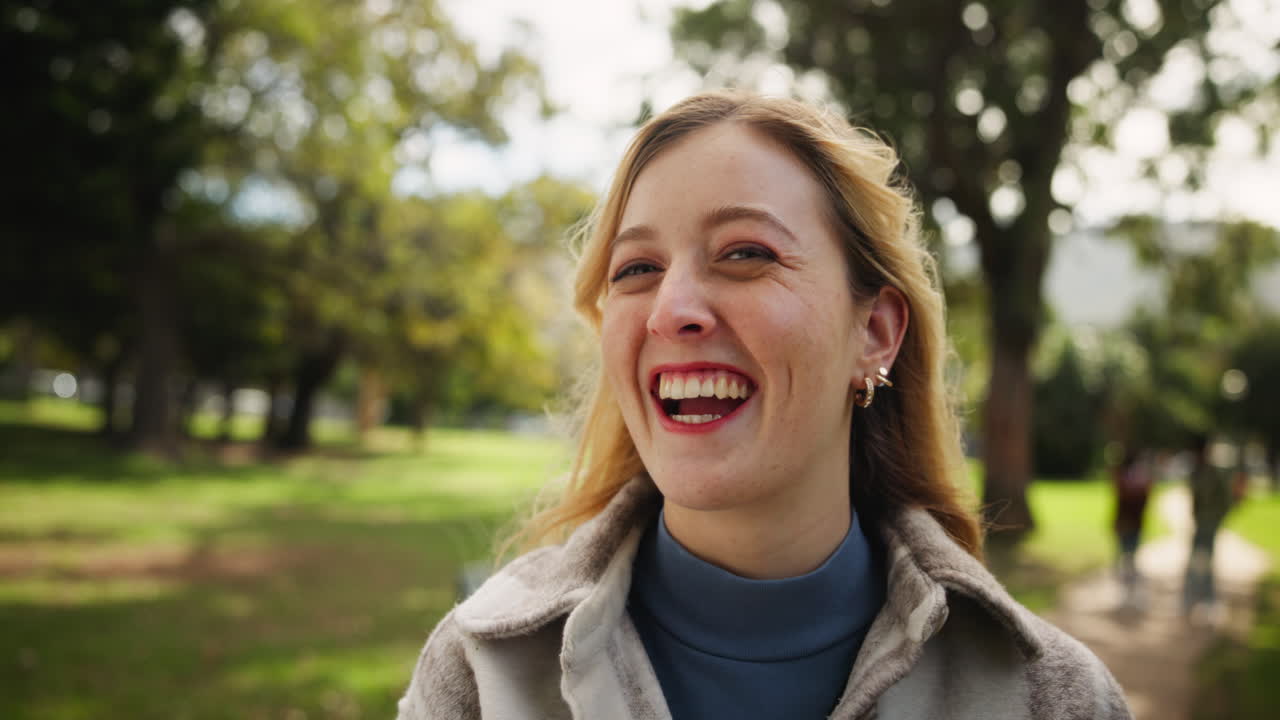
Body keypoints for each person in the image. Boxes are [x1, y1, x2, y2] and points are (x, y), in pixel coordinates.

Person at [396, 90, 1131, 719]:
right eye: (638, 268)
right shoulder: (479, 676)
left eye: (745, 253)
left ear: (874, 333)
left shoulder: (1050, 697)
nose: (670, 310)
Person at [1182, 434, 1235, 620]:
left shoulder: (1211, 473)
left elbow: (1225, 499)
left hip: (1209, 523)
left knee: (1204, 561)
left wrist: (1216, 517)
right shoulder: (1198, 470)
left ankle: (1205, 599)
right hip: (1201, 523)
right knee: (1198, 560)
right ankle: (1193, 599)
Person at [1112, 448, 1154, 608]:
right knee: (1127, 558)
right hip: (1129, 523)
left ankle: (1129, 591)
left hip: (1129, 523)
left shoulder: (1128, 478)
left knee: (1127, 557)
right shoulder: (1131, 478)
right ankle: (1126, 591)